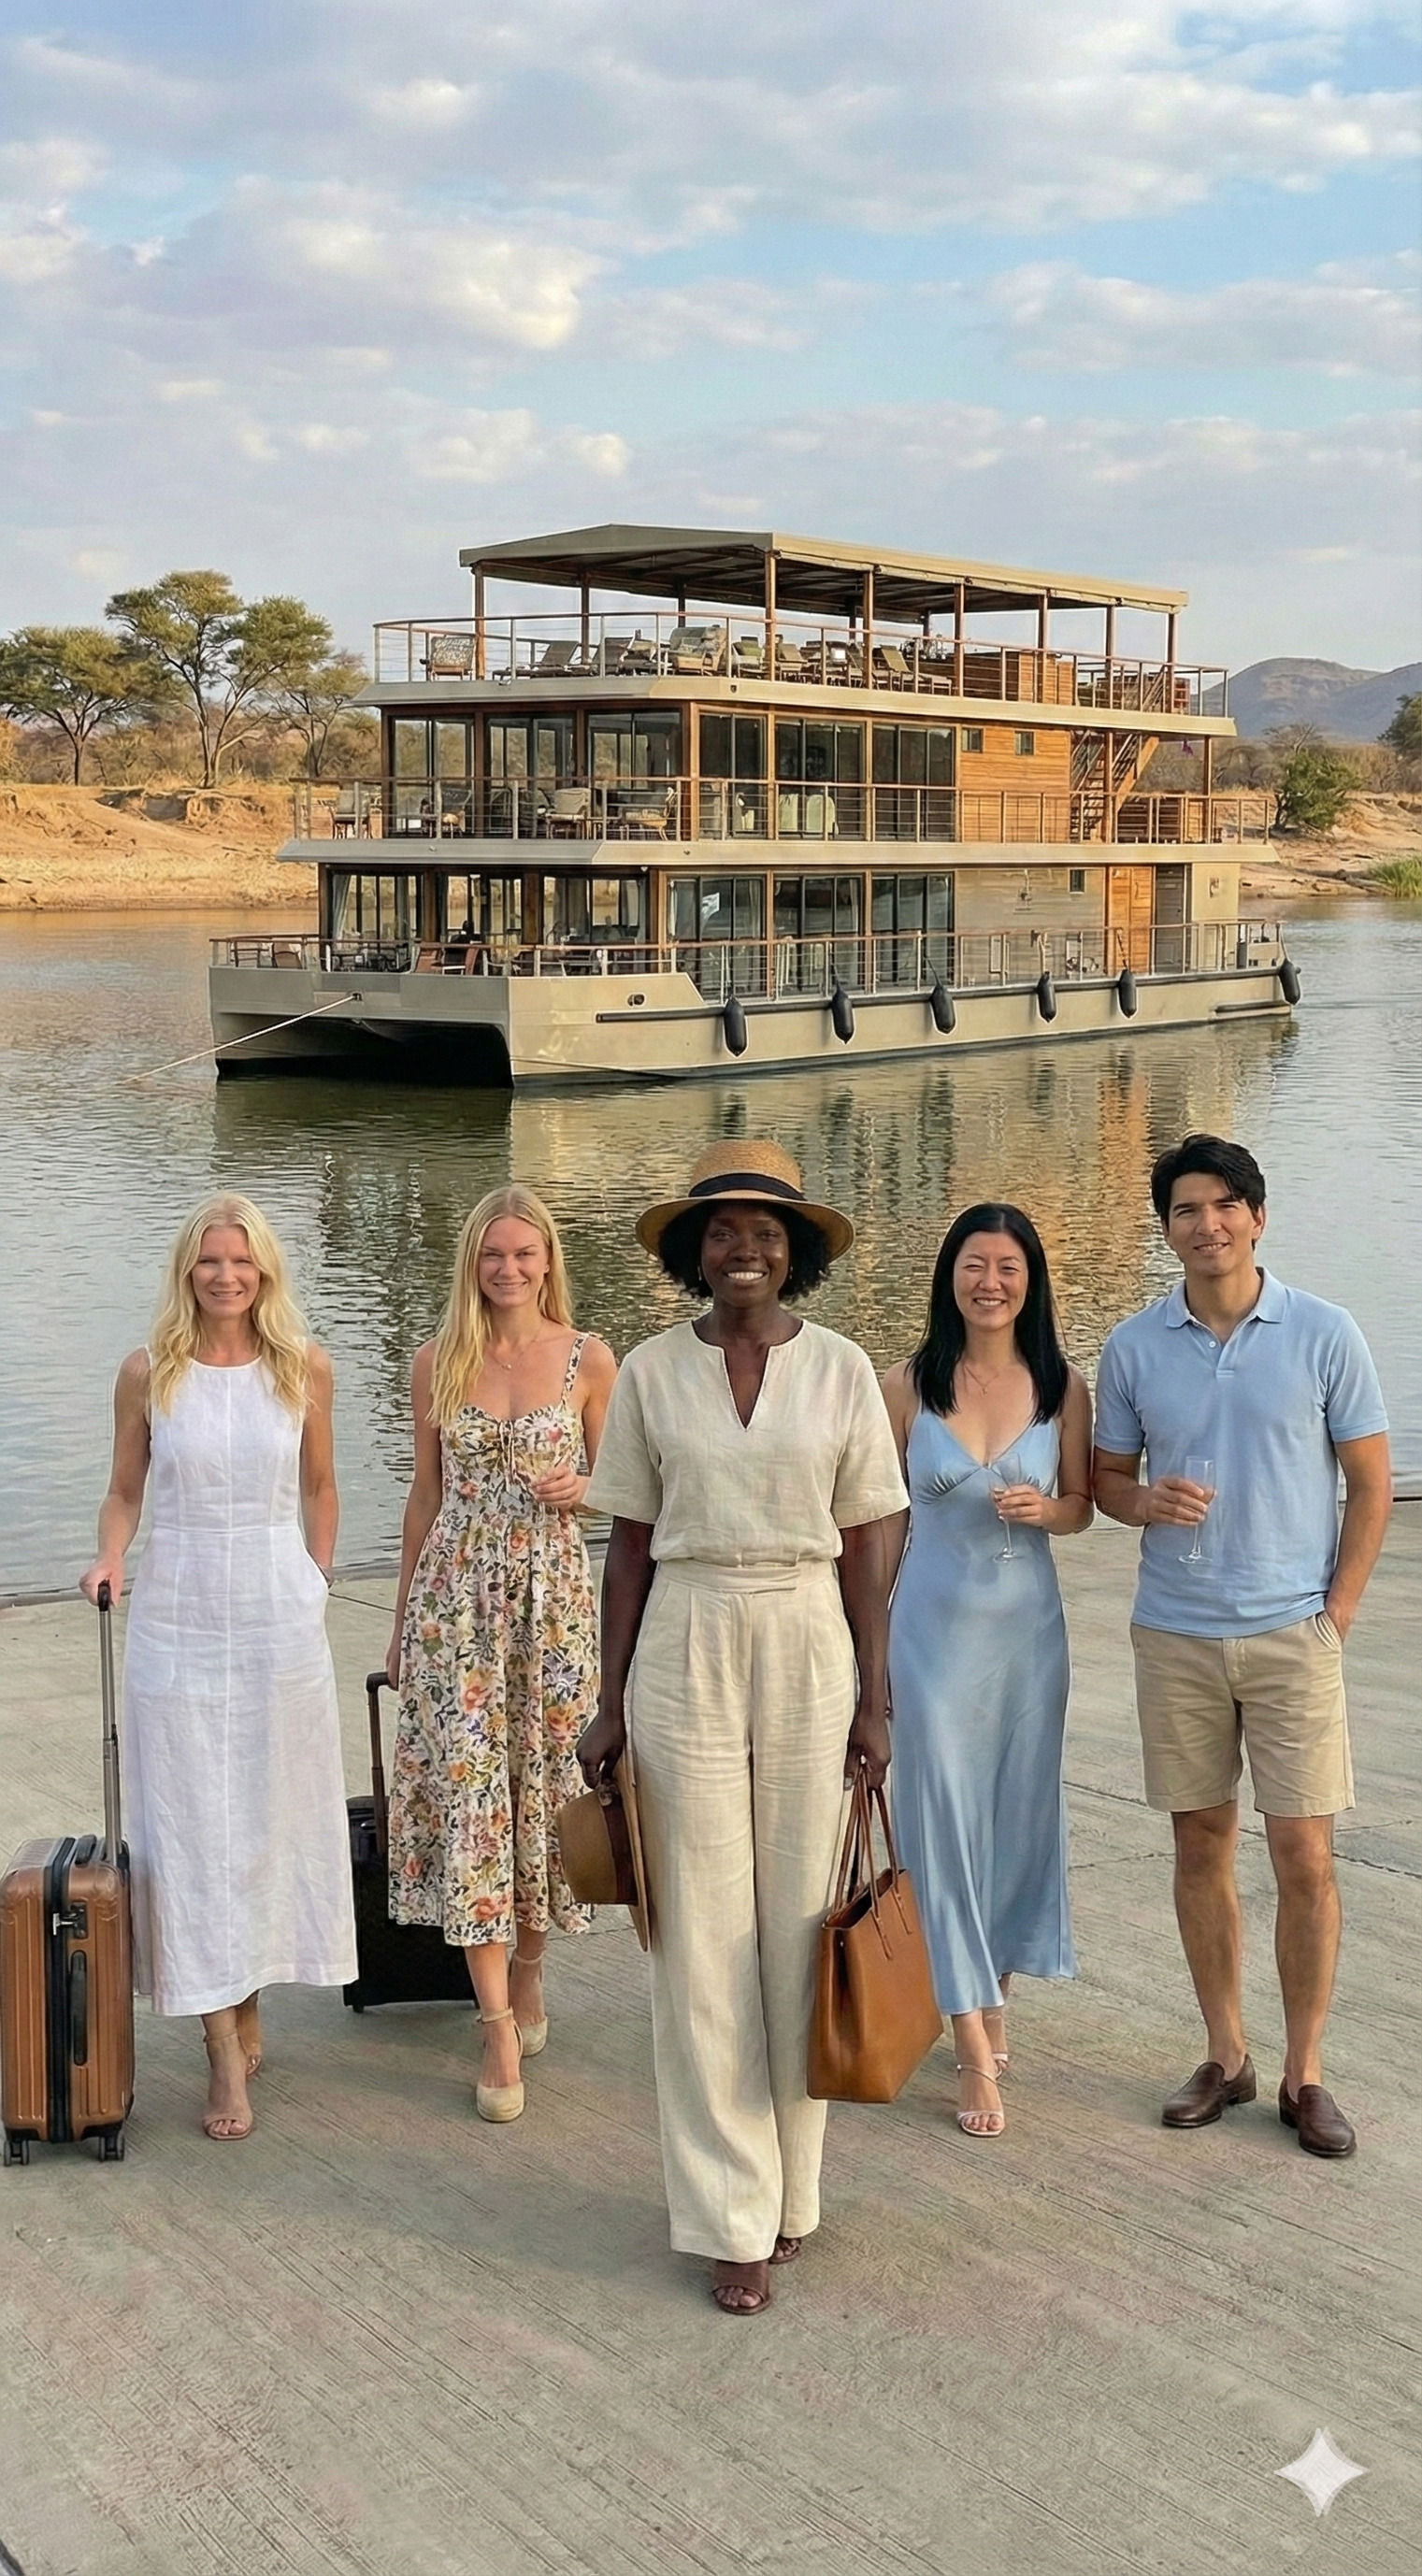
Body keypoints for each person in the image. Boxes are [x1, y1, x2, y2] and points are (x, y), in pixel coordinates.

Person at [577, 1142, 908, 2316]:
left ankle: (791, 2194)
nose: (746, 1247)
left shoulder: (845, 1369)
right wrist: (608, 1698)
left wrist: (876, 1693)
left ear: (799, 1247)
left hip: (809, 1634)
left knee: (800, 1926)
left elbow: (870, 1535)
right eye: (721, 1230)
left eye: (767, 1229)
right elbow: (625, 1542)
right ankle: (727, 2215)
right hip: (687, 1636)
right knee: (704, 1935)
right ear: (691, 1251)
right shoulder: (655, 1374)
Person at [1093, 1135, 1391, 2157]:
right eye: (1185, 1208)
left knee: (1304, 1853)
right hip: (1175, 1629)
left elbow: (1372, 1480)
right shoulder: (1134, 1345)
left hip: (1289, 1631)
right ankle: (1225, 2051)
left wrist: (1336, 1610)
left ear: (1257, 1216)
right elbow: (1105, 1484)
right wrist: (1145, 1499)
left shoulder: (1324, 1331)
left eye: (1224, 1205)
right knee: (1198, 1844)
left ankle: (1305, 2071)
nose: (1206, 1223)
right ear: (1166, 1227)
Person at [79, 1194, 356, 2143]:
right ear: (186, 1270)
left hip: (279, 1619)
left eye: (242, 1261)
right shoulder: (148, 1372)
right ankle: (221, 2047)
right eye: (210, 1262)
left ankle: (244, 1994)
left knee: (270, 1812)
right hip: (179, 1616)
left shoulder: (302, 1366)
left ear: (266, 1270)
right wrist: (112, 1554)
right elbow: (123, 1492)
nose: (227, 1275)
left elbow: (321, 1487)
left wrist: (315, 1578)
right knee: (191, 1821)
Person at [385, 1185, 615, 2124]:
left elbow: (630, 1488)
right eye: (493, 1255)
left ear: (549, 1259)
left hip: (550, 1604)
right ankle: (491, 2022)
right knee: (476, 1798)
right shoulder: (437, 1360)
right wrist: (402, 1621)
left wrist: (583, 1486)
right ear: (472, 1263)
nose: (509, 1268)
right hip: (457, 1607)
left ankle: (527, 1967)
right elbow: (423, 1497)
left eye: (524, 1253)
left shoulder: (592, 1359)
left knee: (541, 1794)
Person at [882, 1205, 1092, 2138]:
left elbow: (1084, 1504)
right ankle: (967, 2038)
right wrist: (863, 1653)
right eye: (975, 1263)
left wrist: (1049, 1512)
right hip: (929, 1633)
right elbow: (880, 1526)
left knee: (1013, 1821)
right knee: (938, 1823)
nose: (991, 1281)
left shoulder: (1063, 1387)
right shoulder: (904, 1384)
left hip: (1027, 1639)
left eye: (1008, 1265)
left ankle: (993, 1982)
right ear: (950, 1275)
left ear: (1030, 1278)